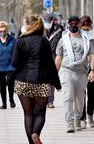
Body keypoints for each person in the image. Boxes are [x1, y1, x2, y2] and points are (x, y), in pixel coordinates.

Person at [9, 15, 61, 144]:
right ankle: (36, 133)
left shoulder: (20, 41)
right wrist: (57, 83)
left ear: (28, 25)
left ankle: (31, 142)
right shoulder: (44, 41)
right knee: (40, 113)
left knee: (28, 114)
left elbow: (14, 63)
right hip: (41, 81)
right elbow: (50, 64)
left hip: (23, 81)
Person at [55, 16, 94, 133]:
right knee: (68, 97)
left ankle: (77, 119)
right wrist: (54, 75)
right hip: (66, 71)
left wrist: (92, 70)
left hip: (82, 73)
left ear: (79, 25)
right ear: (68, 25)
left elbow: (91, 56)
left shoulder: (88, 40)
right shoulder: (63, 40)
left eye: (76, 24)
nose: (73, 26)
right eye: (71, 24)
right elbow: (58, 58)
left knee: (80, 99)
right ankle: (69, 122)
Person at [79, 15, 94, 129]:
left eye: (87, 27)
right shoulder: (77, 34)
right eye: (83, 27)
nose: (85, 29)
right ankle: (81, 117)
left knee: (92, 92)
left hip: (92, 65)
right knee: (81, 92)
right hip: (80, 66)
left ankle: (90, 114)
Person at [0, 21, 17, 109]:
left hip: (11, 66)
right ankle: (4, 103)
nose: (2, 33)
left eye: (4, 31)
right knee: (2, 84)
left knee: (10, 83)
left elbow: (17, 53)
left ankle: (11, 100)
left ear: (7, 30)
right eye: (0, 31)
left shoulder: (13, 40)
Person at [43, 13, 64, 109]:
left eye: (49, 22)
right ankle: (44, 100)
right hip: (42, 57)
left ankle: (50, 101)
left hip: (55, 57)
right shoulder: (39, 29)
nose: (47, 24)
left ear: (52, 22)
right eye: (46, 22)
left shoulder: (59, 30)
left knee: (51, 79)